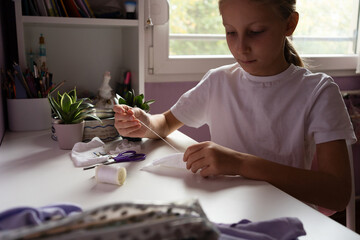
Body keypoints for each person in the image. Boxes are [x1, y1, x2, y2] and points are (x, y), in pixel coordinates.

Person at [113, 0, 356, 213]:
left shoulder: (318, 91)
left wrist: (238, 163)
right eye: (230, 32)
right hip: (224, 211)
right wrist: (143, 123)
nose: (241, 47)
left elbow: (337, 193)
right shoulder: (218, 81)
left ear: (289, 24)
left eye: (256, 31)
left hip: (285, 220)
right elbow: (165, 123)